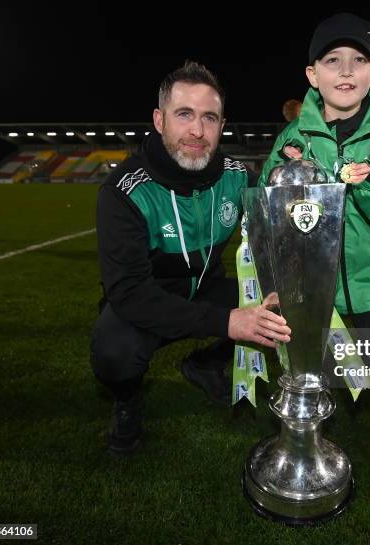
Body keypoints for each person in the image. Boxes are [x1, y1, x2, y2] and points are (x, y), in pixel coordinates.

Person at [259, 13, 370, 512]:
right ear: (313, 75)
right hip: (308, 290)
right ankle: (301, 450)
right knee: (305, 372)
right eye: (332, 61)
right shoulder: (293, 138)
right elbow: (266, 216)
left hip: (368, 286)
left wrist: (368, 182)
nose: (345, 71)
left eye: (358, 60)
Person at [90, 61, 291, 455]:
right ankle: (128, 401)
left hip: (206, 288)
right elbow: (128, 291)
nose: (197, 131)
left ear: (222, 125)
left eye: (209, 118)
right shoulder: (123, 190)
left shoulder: (238, 177)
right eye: (184, 115)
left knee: (281, 307)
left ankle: (205, 363)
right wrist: (226, 322)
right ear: (159, 119)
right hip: (147, 299)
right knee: (114, 352)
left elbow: (279, 232)